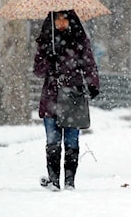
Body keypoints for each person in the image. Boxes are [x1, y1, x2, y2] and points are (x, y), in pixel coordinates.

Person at [33, 10, 100, 191]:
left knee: (72, 141)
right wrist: (48, 58)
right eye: (57, 19)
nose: (61, 22)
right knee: (53, 141)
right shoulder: (46, 42)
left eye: (65, 18)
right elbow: (38, 71)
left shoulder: (79, 42)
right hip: (51, 96)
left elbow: (89, 64)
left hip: (73, 96)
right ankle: (54, 180)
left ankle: (70, 182)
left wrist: (92, 84)